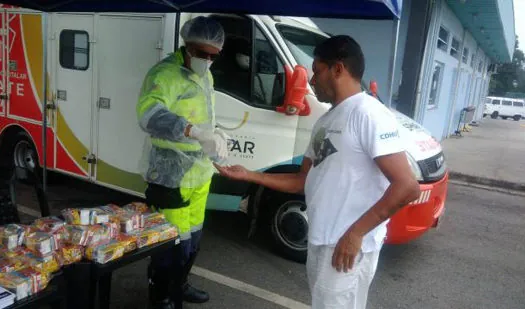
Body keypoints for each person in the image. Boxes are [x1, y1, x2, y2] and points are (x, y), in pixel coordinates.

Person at [214, 35, 421, 309]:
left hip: (345, 245)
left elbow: (407, 187)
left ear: (338, 69)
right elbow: (302, 181)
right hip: (322, 238)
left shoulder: (369, 114)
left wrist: (356, 234)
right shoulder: (325, 119)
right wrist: (250, 175)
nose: (312, 80)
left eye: (317, 71)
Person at [136, 16, 229, 309]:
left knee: (193, 239)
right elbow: (148, 115)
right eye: (202, 53)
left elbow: (205, 115)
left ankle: (181, 284)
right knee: (169, 243)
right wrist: (193, 131)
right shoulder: (164, 74)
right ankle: (161, 295)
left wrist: (215, 135)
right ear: (187, 46)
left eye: (214, 56)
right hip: (169, 175)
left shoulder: (206, 76)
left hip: (198, 174)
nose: (207, 60)